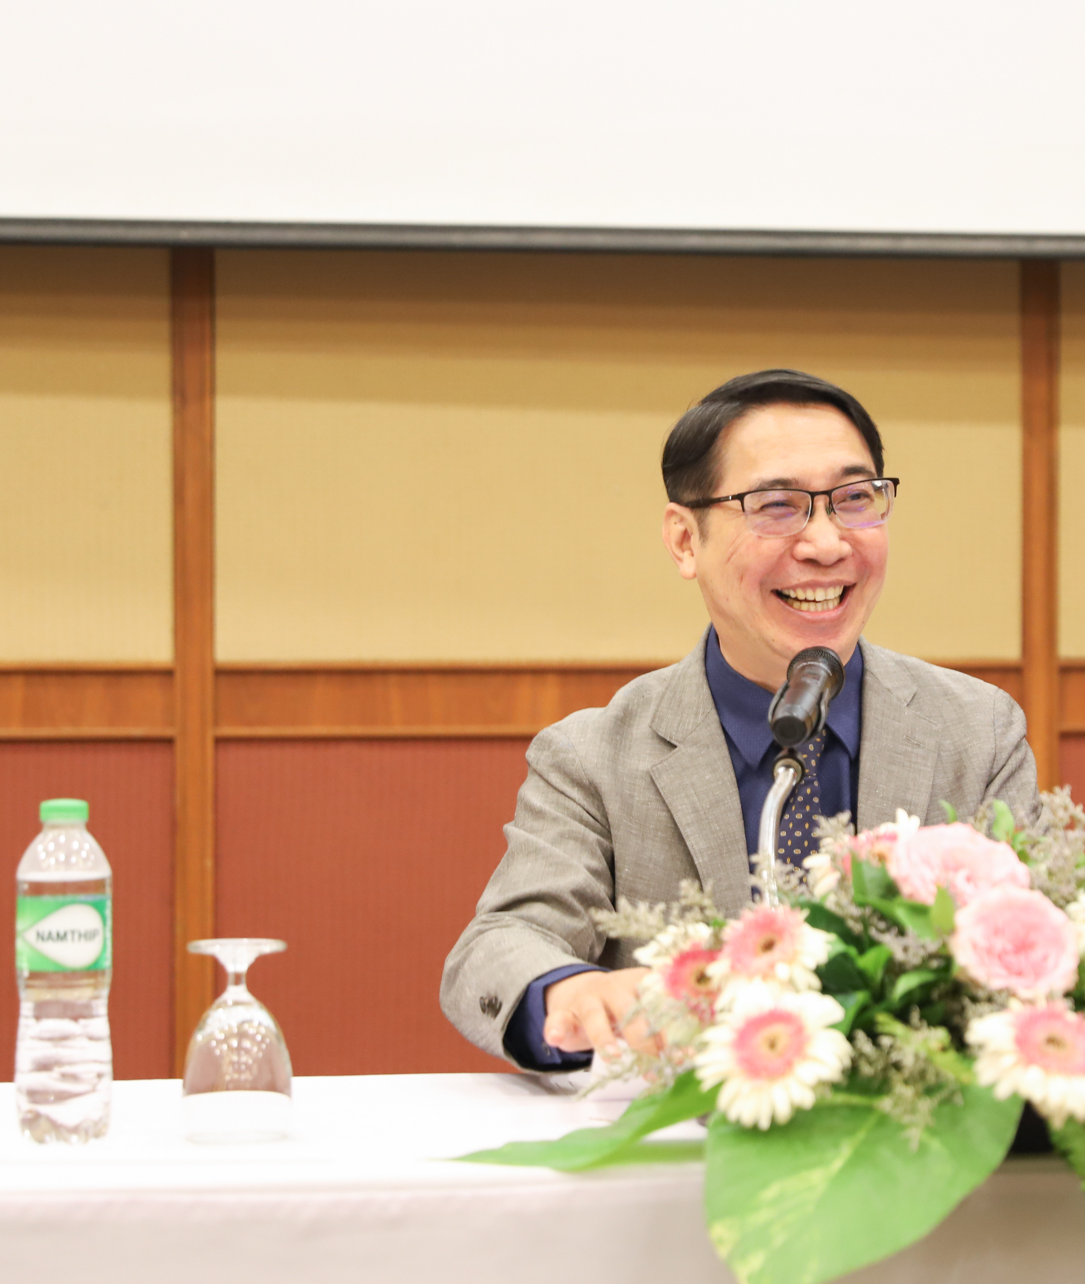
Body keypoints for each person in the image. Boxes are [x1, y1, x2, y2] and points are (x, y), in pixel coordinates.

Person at [439, 368, 1040, 1069]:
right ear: (684, 540)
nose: (826, 543)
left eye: (854, 499)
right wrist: (571, 991)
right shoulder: (593, 757)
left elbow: (1044, 941)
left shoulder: (977, 733)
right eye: (777, 506)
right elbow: (499, 945)